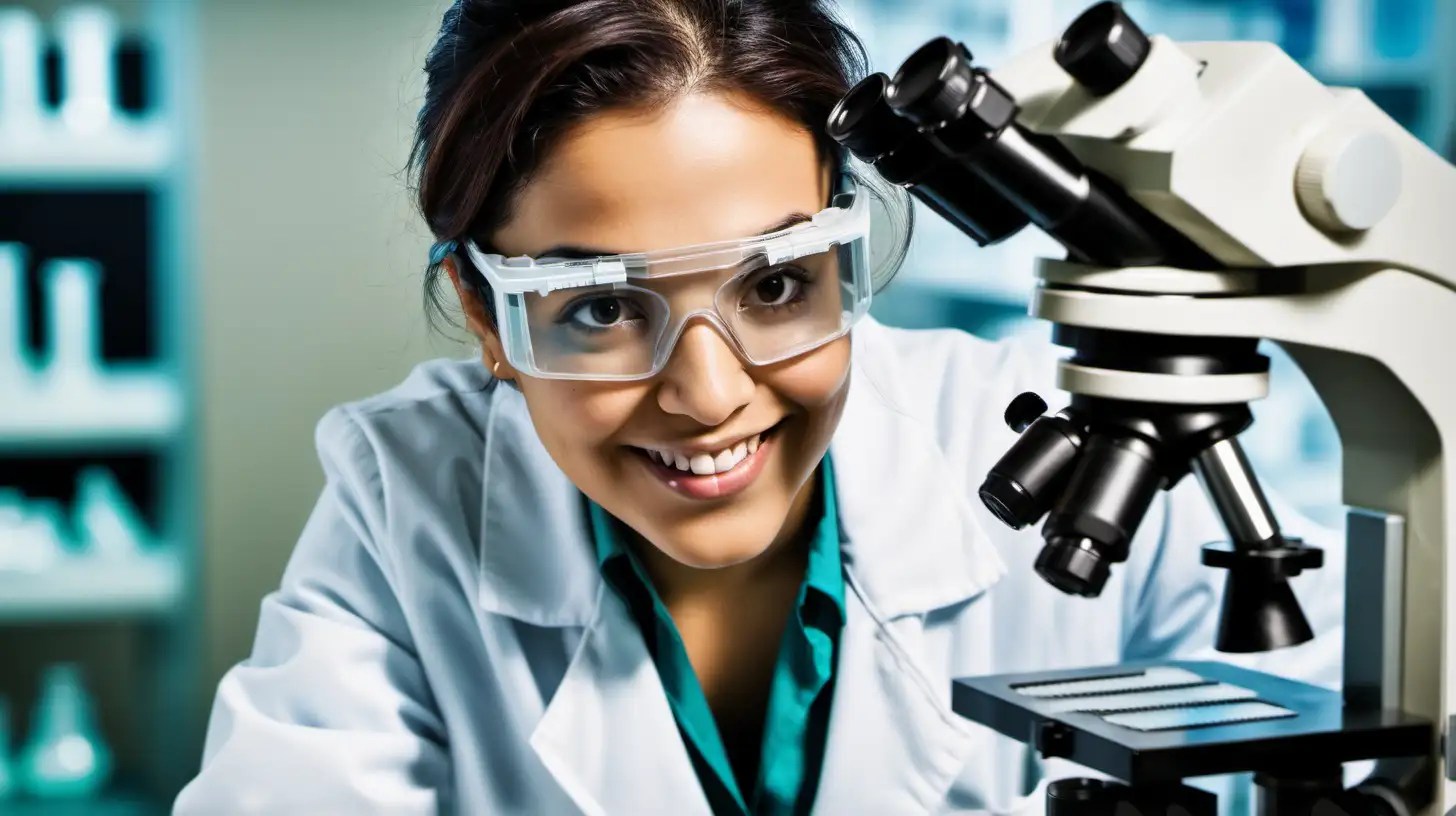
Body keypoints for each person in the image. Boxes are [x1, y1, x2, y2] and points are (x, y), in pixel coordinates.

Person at [174, 1, 1345, 813]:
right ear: (488, 321)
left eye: (778, 284)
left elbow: (1337, 722)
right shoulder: (407, 495)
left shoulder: (1051, 442)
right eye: (595, 307)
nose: (707, 393)